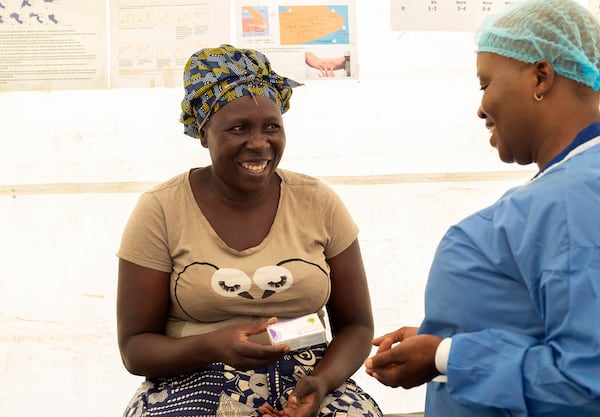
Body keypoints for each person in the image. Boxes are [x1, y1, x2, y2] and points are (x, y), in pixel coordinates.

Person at [116, 44, 383, 417]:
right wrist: (211, 346)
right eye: (238, 128)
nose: (259, 144)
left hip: (311, 373)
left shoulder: (317, 200)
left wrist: (320, 384)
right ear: (203, 133)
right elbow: (135, 347)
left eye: (271, 127)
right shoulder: (161, 209)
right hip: (190, 375)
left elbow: (356, 325)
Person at [364, 0, 600, 416]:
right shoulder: (571, 185)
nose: (480, 107)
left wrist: (444, 355)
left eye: (485, 83)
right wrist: (442, 335)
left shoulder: (574, 197)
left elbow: (585, 380)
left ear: (541, 76)